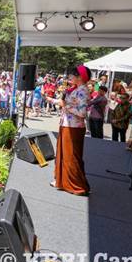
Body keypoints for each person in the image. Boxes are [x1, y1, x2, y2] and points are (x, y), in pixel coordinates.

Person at [47, 66, 91, 196]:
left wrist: (66, 106)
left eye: (72, 75)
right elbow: (67, 105)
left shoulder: (82, 91)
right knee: (63, 154)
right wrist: (53, 101)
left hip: (74, 127)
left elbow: (82, 113)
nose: (70, 77)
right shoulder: (77, 89)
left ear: (80, 77)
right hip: (67, 124)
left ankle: (76, 185)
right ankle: (62, 181)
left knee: (71, 157)